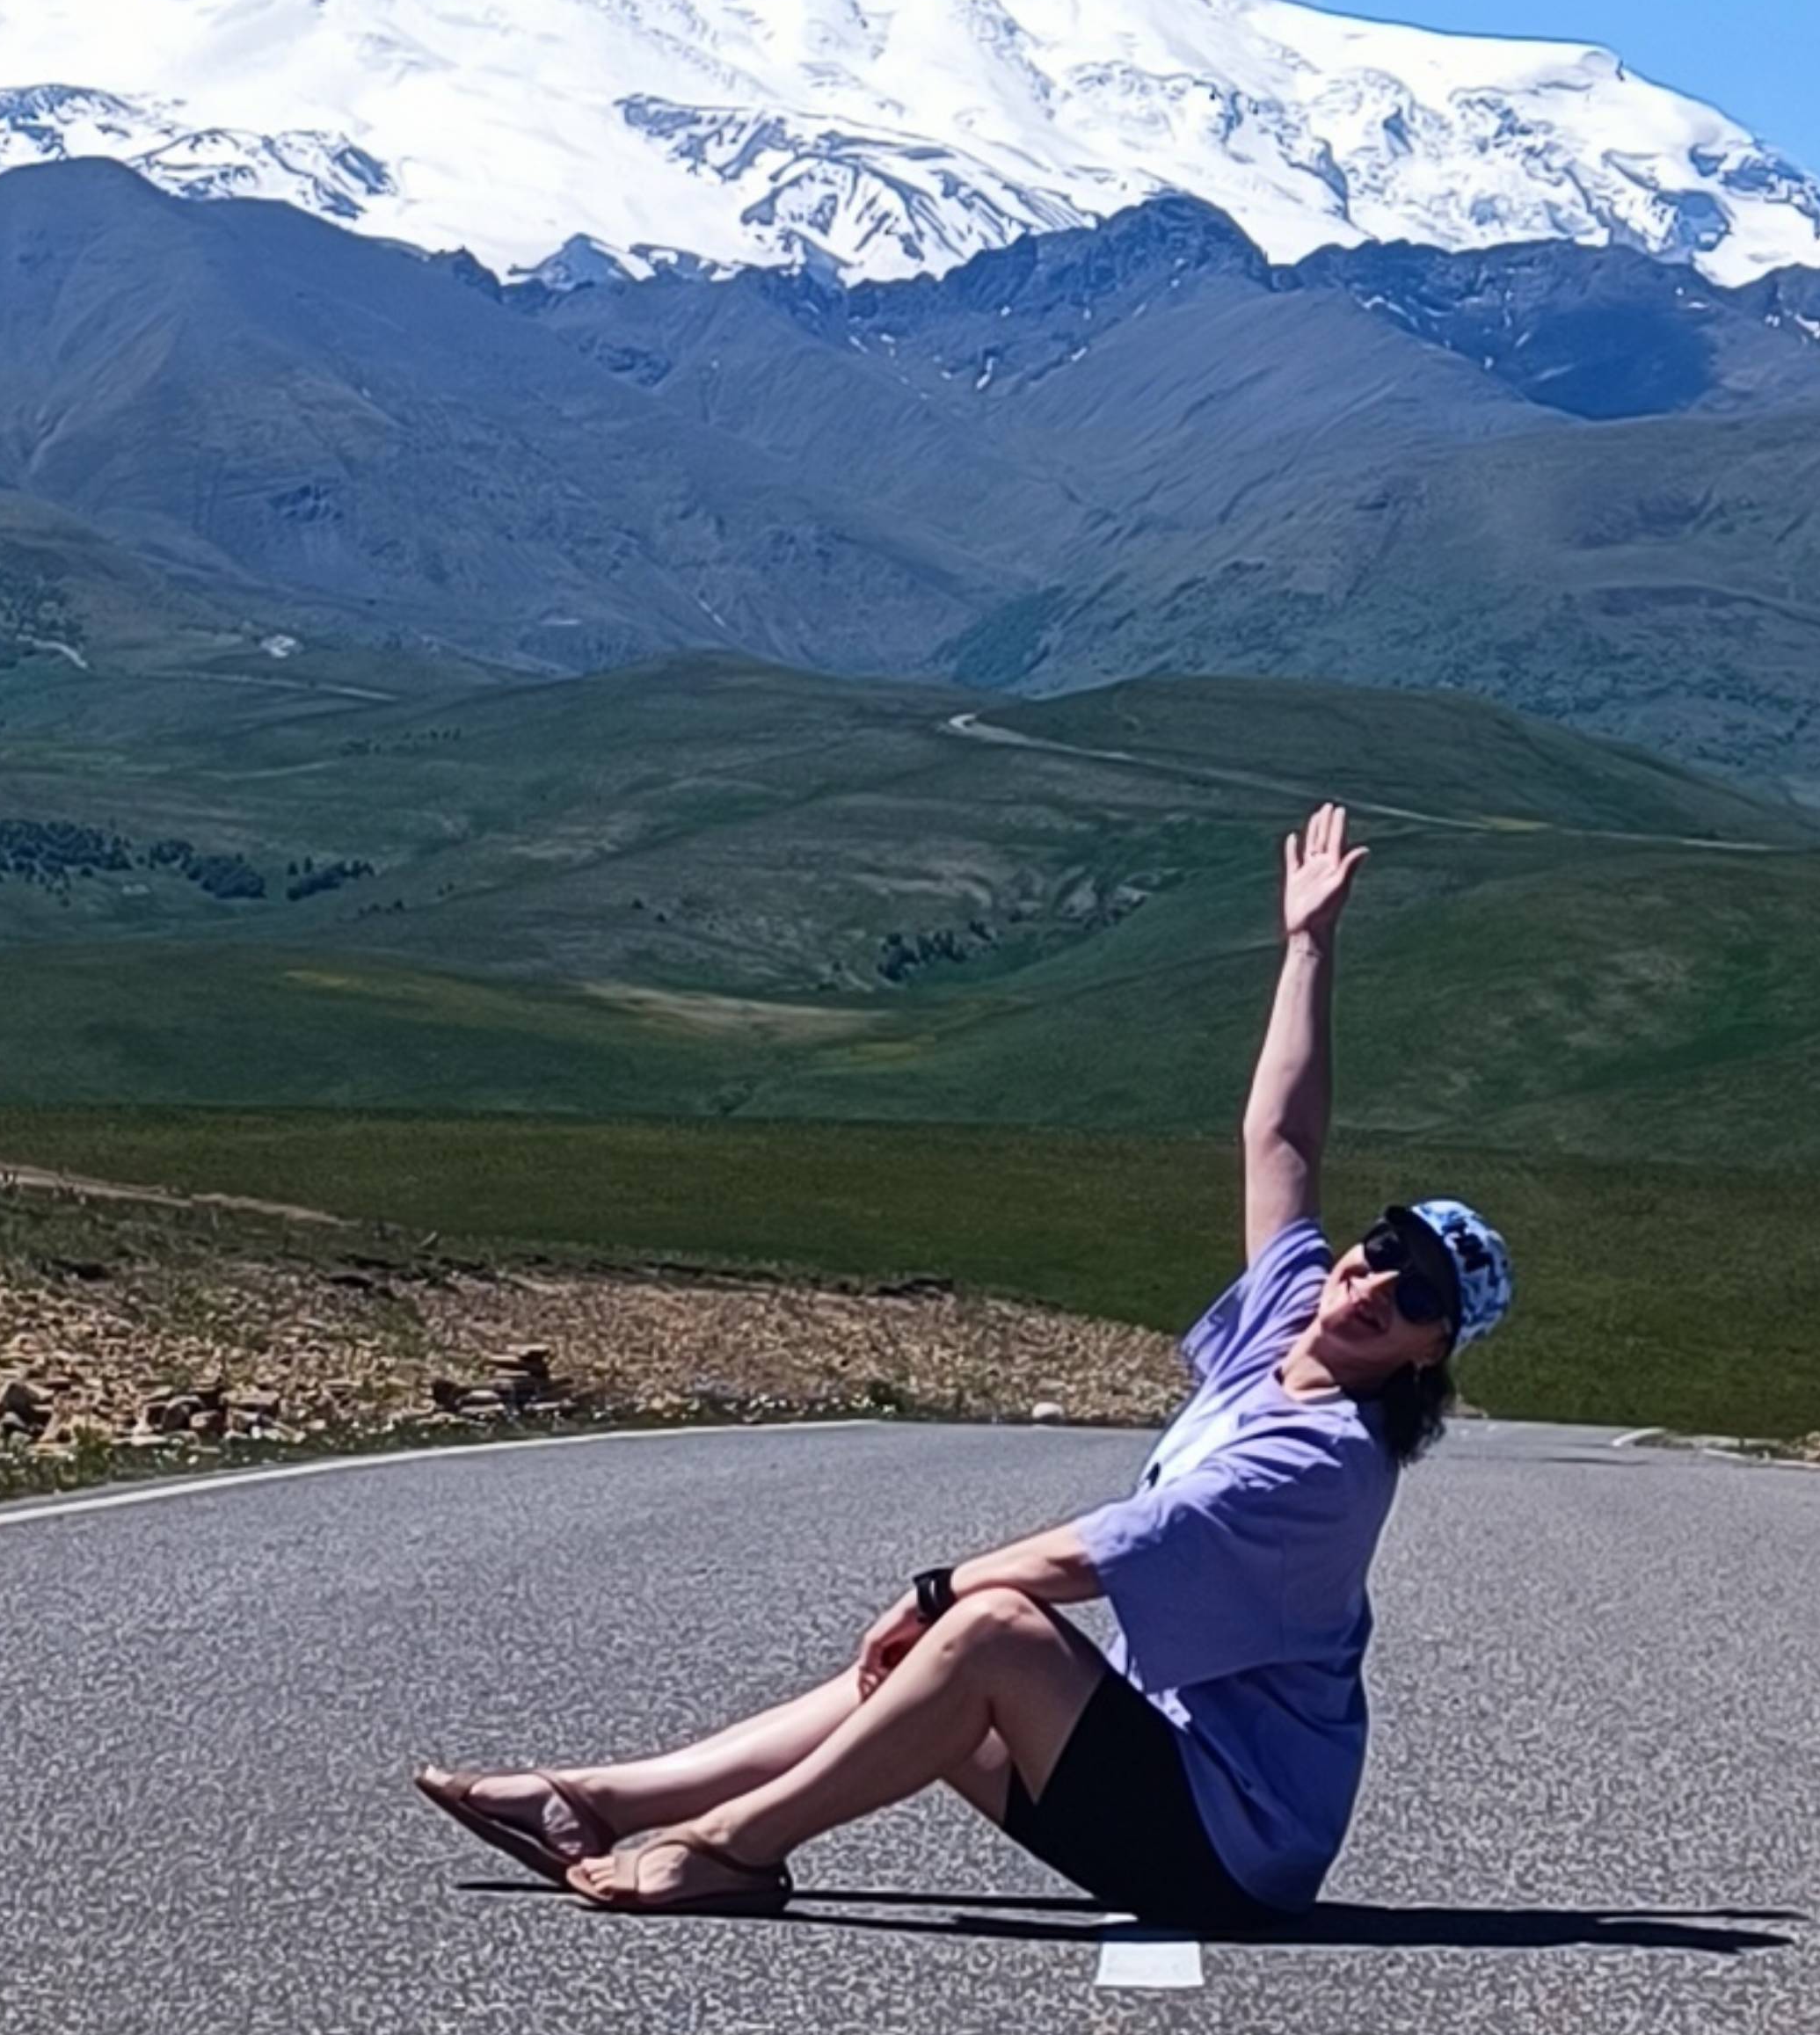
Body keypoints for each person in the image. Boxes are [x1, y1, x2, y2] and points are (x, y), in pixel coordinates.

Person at [412, 803, 1513, 1922]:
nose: (1376, 1285)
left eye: (1419, 1297)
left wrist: (937, 1586)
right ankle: (593, 1801)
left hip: (1236, 1842)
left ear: (1432, 1353)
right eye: (1384, 1249)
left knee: (988, 1625)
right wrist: (1309, 944)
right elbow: (1281, 1139)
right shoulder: (1286, 1321)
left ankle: (735, 1848)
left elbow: (1108, 1550)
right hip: (1158, 1774)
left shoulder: (1327, 1462)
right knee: (937, 1646)